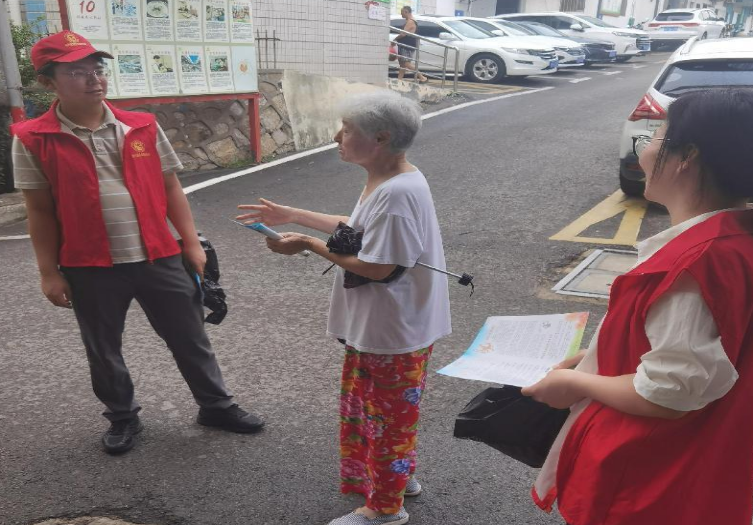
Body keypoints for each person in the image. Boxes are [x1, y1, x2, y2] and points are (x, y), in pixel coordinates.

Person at [12, 31, 264, 455]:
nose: (93, 79)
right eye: (77, 72)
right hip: (88, 265)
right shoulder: (33, 138)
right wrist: (48, 272)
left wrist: (191, 244)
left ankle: (216, 406)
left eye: (97, 69)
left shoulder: (141, 125)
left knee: (190, 337)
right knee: (103, 348)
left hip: (158, 254)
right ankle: (122, 416)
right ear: (47, 81)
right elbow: (39, 211)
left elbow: (171, 188)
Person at [522, 88, 753, 525]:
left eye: (654, 138)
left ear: (687, 157)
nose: (644, 153)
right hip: (708, 472)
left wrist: (577, 384)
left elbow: (670, 392)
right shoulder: (735, 239)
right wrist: (591, 360)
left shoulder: (696, 264)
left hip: (650, 482)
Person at [237, 91, 451, 525]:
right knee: (386, 412)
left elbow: (378, 267)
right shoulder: (392, 178)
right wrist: (293, 215)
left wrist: (309, 244)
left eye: (348, 130)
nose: (337, 136)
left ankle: (385, 509)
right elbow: (358, 228)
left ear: (381, 138)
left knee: (386, 418)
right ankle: (396, 476)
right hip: (392, 325)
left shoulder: (397, 193)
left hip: (393, 329)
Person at [394, 6, 428, 83]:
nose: (401, 14)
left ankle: (422, 77)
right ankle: (399, 80)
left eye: (402, 12)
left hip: (407, 45)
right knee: (402, 64)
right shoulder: (410, 21)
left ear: (406, 12)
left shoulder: (411, 21)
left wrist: (394, 39)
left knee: (406, 63)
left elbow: (403, 34)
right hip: (405, 44)